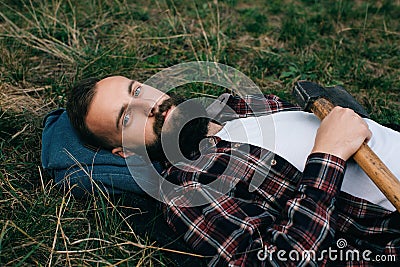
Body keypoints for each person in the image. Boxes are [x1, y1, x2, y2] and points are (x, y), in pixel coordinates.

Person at [65, 75, 400, 266]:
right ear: (125, 150)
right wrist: (329, 156)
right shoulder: (188, 188)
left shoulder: (232, 107)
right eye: (127, 117)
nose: (148, 105)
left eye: (136, 90)